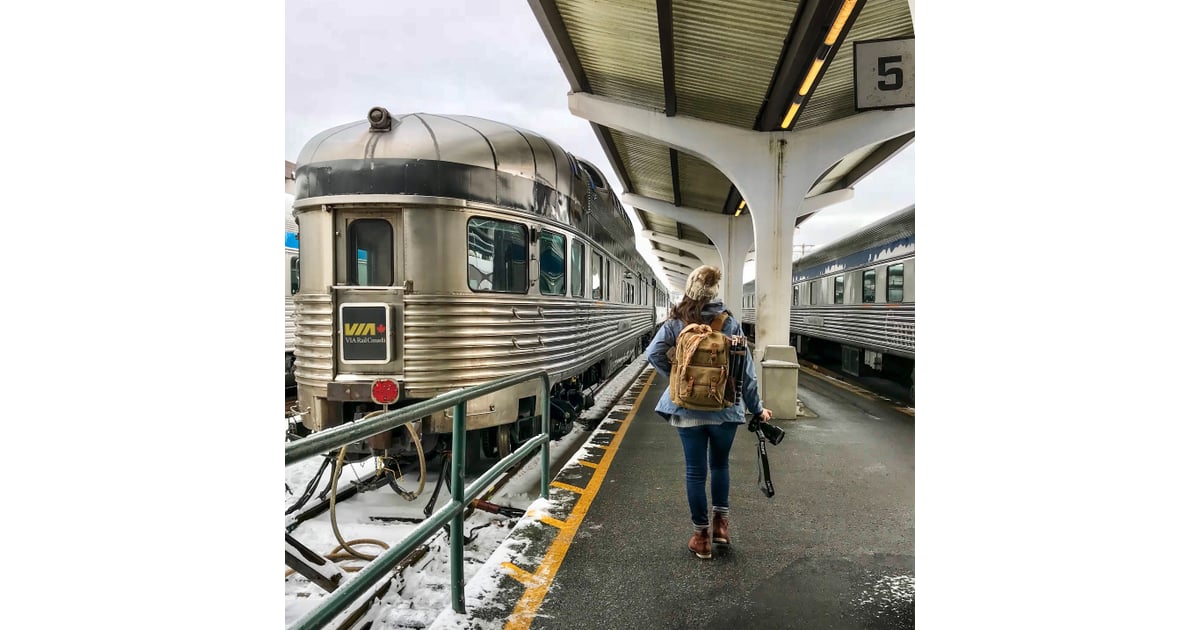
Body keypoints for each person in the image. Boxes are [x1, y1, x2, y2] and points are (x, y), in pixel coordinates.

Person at [646, 265, 773, 559]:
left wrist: (678, 380)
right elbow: (746, 372)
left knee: (694, 471)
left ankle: (701, 538)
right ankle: (721, 528)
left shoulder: (676, 322)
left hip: (686, 409)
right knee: (719, 466)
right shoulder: (729, 323)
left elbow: (653, 353)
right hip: (724, 410)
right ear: (715, 291)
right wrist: (757, 408)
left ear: (690, 289)